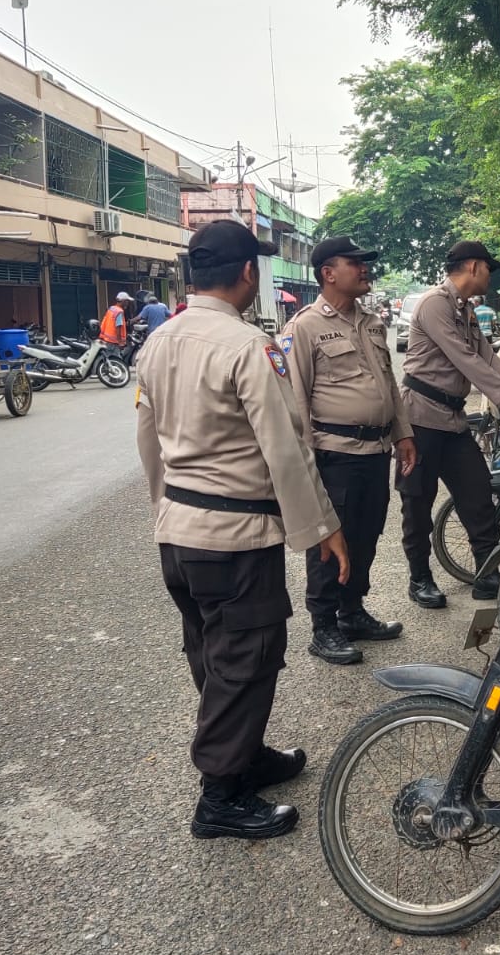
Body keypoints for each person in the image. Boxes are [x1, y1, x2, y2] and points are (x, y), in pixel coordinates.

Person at [134, 219, 351, 841]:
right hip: (234, 536)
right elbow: (285, 447)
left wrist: (164, 514)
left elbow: (147, 440)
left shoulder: (158, 341)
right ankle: (221, 796)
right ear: (249, 274)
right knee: (246, 659)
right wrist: (321, 528)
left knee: (212, 650)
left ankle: (245, 753)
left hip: (181, 531)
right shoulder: (248, 347)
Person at [281, 236, 417, 666]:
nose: (364, 268)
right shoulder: (304, 327)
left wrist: (403, 433)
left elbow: (388, 386)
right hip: (332, 453)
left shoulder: (373, 322)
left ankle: (352, 611)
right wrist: (307, 463)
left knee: (366, 534)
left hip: (375, 450)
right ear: (328, 273)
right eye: (355, 262)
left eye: (364, 261)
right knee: (328, 541)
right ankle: (323, 626)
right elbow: (294, 398)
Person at [398, 240, 500, 607]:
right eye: (489, 268)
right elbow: (463, 359)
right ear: (473, 267)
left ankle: (487, 574)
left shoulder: (466, 309)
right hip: (420, 419)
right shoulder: (434, 305)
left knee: (477, 495)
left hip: (453, 420)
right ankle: (420, 578)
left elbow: (488, 356)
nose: (491, 275)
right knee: (418, 503)